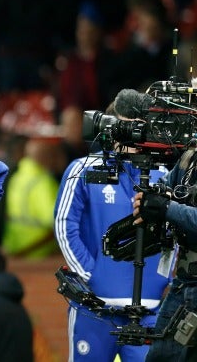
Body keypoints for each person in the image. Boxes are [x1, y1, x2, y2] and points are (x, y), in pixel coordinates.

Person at [55, 117, 170, 361]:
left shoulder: (164, 174)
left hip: (150, 309)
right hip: (94, 310)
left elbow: (176, 233)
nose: (135, 134)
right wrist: (91, 274)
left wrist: (163, 277)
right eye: (129, 125)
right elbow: (64, 225)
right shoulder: (84, 168)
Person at [133, 145, 197, 361]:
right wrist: (149, 198)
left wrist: (167, 208)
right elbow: (163, 187)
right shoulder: (191, 157)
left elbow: (167, 206)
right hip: (185, 281)